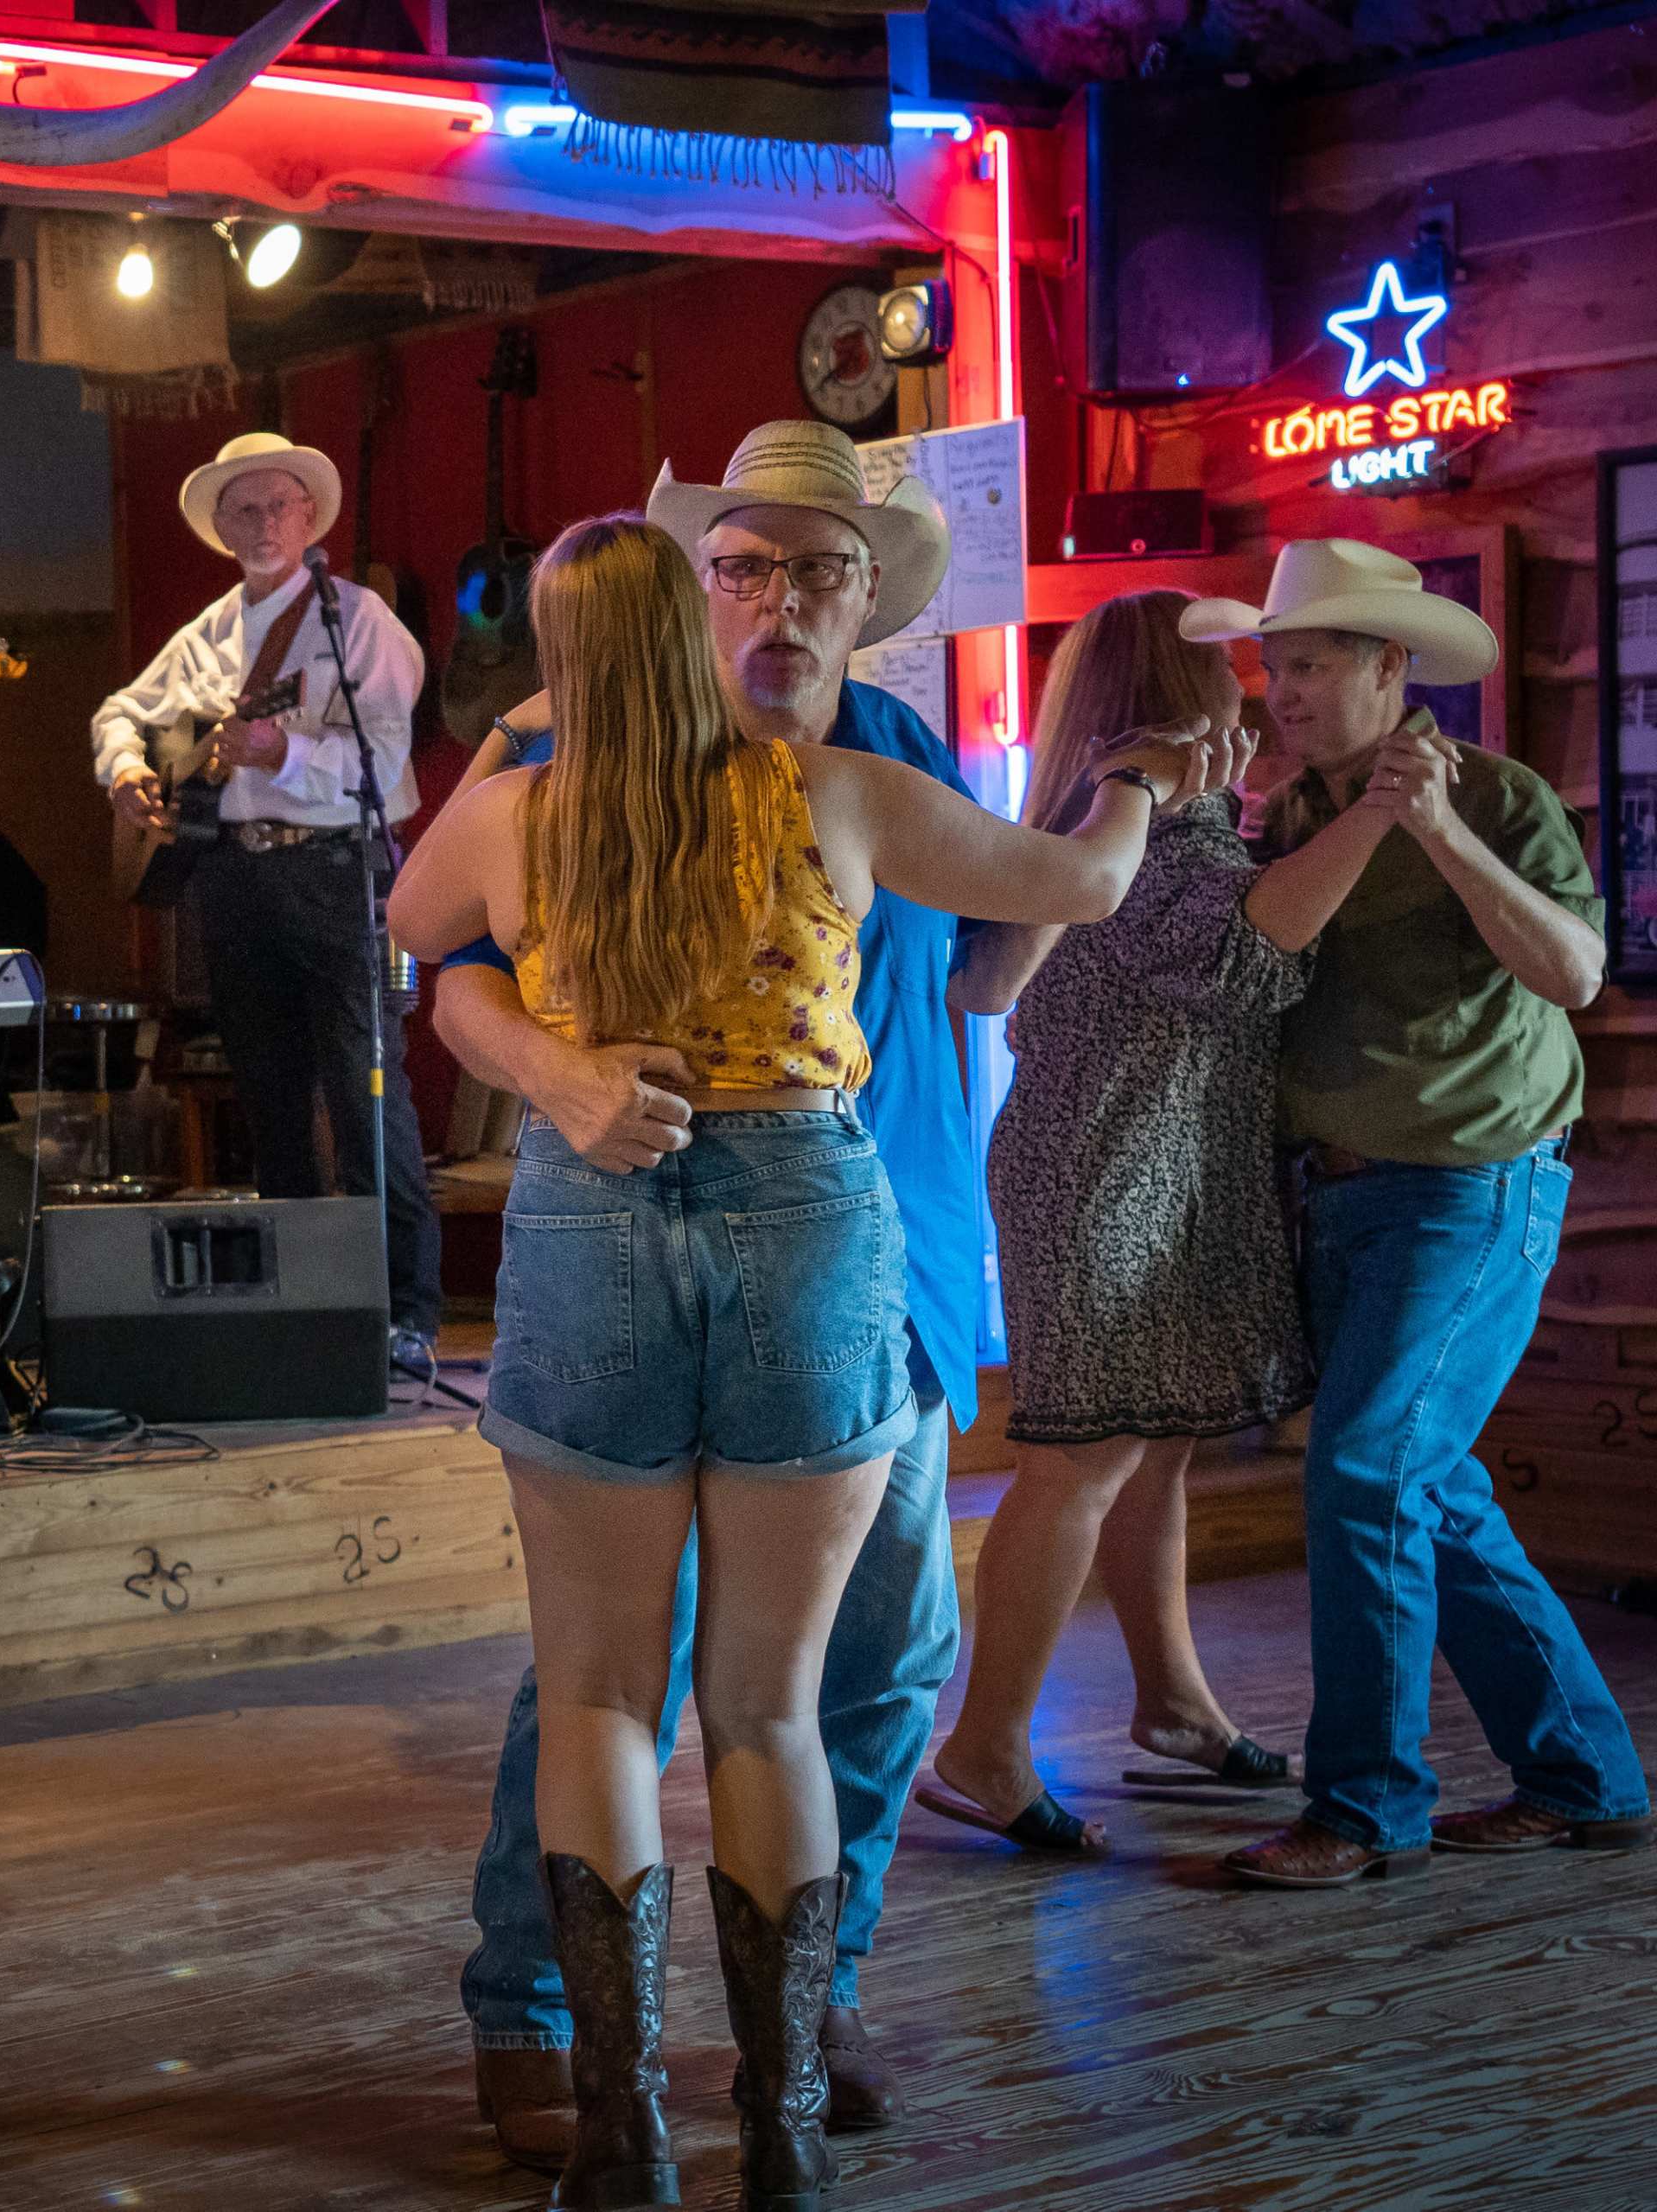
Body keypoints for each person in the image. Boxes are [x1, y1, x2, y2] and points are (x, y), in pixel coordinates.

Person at [396, 512, 1200, 2212]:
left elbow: (410, 920)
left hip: (592, 1215)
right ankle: (778, 2127)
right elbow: (1082, 886)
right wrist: (1135, 775)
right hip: (811, 1206)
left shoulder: (517, 807)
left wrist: (522, 757)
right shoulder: (836, 791)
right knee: (770, 1704)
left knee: (603, 1696)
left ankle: (620, 2134)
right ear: (691, 631)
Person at [425, 422, 991, 2164]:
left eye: (818, 568)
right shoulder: (559, 739)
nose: (779, 595)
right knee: (610, 1663)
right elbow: (448, 965)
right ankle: (541, 2020)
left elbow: (989, 957)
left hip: (885, 1240)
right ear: (695, 587)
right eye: (744, 563)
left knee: (887, 1658)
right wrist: (558, 1075)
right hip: (654, 1213)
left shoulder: (897, 750)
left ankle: (798, 2010)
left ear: (863, 600)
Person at [1189, 541, 1653, 1886]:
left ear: (1393, 668)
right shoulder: (1285, 815)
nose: (1284, 687)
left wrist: (1438, 827)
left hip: (1473, 1186)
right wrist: (1370, 820)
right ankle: (1586, 1775)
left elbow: (1570, 970)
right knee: (1427, 1488)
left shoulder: (1499, 796)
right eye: (1277, 663)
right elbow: (1266, 945)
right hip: (1335, 1201)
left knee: (1367, 1469)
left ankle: (1366, 1804)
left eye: (1315, 662)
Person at [916, 590, 1375, 1853]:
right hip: (1107, 1163)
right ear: (1179, 692)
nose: (1250, 694)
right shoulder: (1157, 826)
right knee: (1084, 1448)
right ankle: (986, 1743)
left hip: (1143, 1157)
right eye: (1230, 669)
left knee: (1153, 1438)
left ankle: (1172, 1700)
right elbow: (1244, 964)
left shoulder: (1128, 809)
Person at [92, 430, 443, 1358]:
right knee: (270, 1094)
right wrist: (127, 767)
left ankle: (405, 1309)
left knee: (368, 1094)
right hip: (234, 875)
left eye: (277, 505)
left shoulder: (360, 621)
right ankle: (305, 1304)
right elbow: (120, 709)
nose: (260, 522)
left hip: (335, 872)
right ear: (220, 525)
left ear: (310, 518)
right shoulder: (204, 635)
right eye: (241, 509)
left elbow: (387, 759)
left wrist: (281, 749)